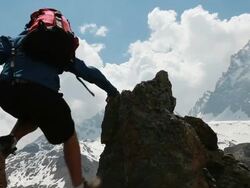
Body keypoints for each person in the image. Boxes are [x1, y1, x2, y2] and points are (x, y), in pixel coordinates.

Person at [0, 9, 119, 188]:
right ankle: (79, 184)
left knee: (32, 118)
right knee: (69, 135)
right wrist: (111, 91)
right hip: (44, 96)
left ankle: (7, 143)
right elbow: (88, 72)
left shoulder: (15, 41)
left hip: (7, 94)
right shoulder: (59, 48)